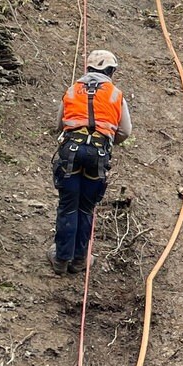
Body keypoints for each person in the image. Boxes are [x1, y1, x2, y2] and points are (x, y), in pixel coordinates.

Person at [50, 49, 133, 275]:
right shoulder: (116, 94)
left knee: (68, 206)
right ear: (110, 71)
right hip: (97, 155)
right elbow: (125, 131)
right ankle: (79, 260)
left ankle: (60, 259)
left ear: (88, 68)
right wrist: (106, 139)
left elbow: (59, 124)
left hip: (71, 152)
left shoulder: (72, 90)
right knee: (86, 208)